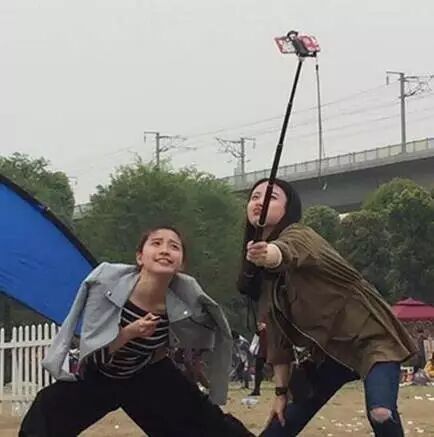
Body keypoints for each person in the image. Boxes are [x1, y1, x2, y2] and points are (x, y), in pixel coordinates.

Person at [20, 225, 254, 437]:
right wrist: (129, 333)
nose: (165, 250)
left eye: (174, 247)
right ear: (140, 257)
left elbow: (209, 330)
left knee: (208, 422)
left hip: (146, 373)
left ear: (181, 264)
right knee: (45, 412)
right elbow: (94, 357)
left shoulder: (186, 297)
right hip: (101, 375)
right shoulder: (105, 285)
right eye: (156, 243)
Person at [239, 178, 417, 437]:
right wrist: (280, 393)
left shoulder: (301, 235)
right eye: (254, 197)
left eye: (271, 197)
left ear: (288, 209)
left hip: (370, 338)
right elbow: (278, 341)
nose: (259, 202)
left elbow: (286, 251)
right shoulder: (268, 282)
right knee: (280, 424)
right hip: (328, 352)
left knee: (381, 412)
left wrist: (269, 254)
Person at [249, 320, 268, 396]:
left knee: (258, 371)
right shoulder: (261, 332)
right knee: (258, 371)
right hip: (264, 353)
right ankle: (256, 389)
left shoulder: (262, 332)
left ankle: (257, 389)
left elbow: (254, 345)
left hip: (263, 353)